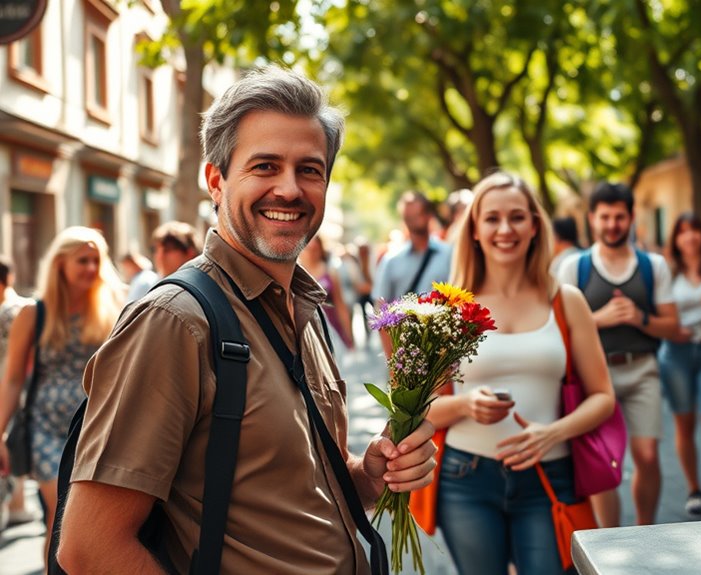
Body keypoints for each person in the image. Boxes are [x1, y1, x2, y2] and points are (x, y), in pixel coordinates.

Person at [45, 66, 436, 573]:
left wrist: (368, 475)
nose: (290, 189)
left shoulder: (301, 308)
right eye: (265, 166)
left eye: (310, 170)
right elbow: (90, 548)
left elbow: (292, 492)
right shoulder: (175, 322)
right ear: (216, 180)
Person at [429, 171, 615, 574]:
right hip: (466, 479)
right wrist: (465, 404)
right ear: (475, 229)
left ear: (534, 225)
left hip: (550, 475)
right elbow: (420, 410)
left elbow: (603, 396)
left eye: (517, 217)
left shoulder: (566, 300)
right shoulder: (447, 307)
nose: (505, 229)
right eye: (492, 218)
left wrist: (554, 432)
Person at [556, 182, 678, 527]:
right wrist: (597, 319)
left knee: (648, 455)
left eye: (619, 217)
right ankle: (607, 541)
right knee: (602, 462)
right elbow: (559, 330)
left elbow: (671, 326)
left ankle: (643, 532)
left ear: (631, 218)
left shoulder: (653, 265)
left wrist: (640, 318)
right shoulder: (573, 268)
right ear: (592, 219)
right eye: (605, 217)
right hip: (593, 376)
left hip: (642, 370)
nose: (612, 224)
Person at [0, 227, 123, 557]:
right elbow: (12, 379)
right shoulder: (33, 313)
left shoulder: (114, 309)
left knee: (97, 525)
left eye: (96, 260)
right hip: (47, 429)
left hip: (98, 428)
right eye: (82, 260)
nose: (91, 268)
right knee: (60, 518)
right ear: (60, 265)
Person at [656, 213, 701, 517]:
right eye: (683, 232)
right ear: (675, 239)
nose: (690, 237)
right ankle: (693, 489)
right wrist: (671, 329)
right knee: (684, 424)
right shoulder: (667, 272)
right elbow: (656, 312)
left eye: (695, 231)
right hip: (676, 354)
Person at [373, 191, 452, 354]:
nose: (413, 221)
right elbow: (381, 311)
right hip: (407, 350)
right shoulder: (391, 260)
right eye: (408, 217)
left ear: (429, 215)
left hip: (445, 348)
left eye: (417, 214)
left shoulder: (449, 254)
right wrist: (392, 359)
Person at [0, 255, 37, 529]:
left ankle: (14, 504)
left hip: (11, 384)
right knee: (13, 441)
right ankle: (16, 505)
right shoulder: (23, 307)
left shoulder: (11, 310)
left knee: (11, 441)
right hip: (20, 384)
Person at [299, 234, 355, 350]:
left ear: (320, 249)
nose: (311, 253)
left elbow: (340, 304)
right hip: (308, 330)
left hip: (331, 326)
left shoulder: (330, 271)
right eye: (308, 249)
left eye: (315, 249)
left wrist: (349, 336)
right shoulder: (297, 273)